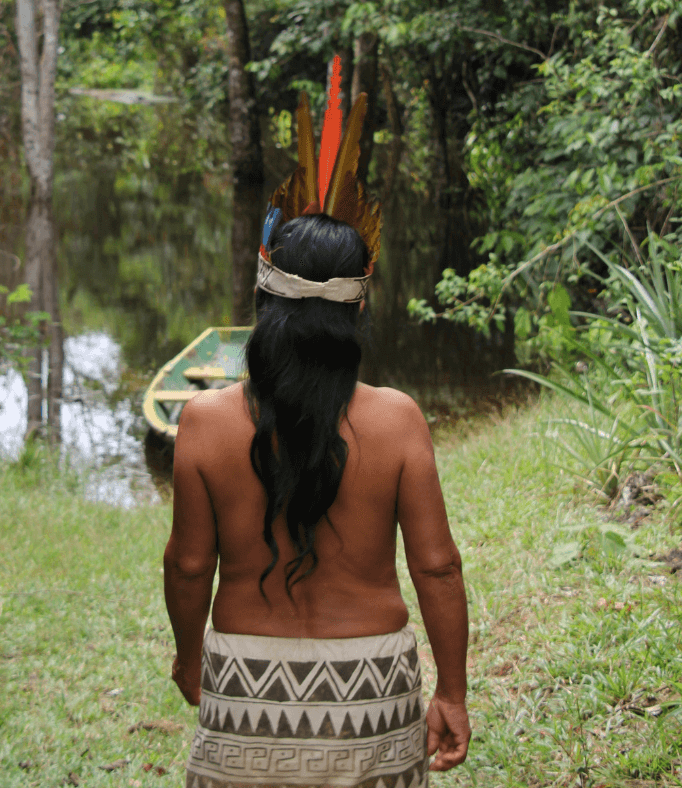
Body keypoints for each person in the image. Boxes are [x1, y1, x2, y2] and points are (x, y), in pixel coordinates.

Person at [163, 214, 470, 788]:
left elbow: (188, 564)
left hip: (245, 688)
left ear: (263, 298)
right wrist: (451, 692)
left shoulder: (204, 422)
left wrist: (187, 658)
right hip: (371, 690)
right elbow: (438, 566)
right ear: (357, 307)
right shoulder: (397, 420)